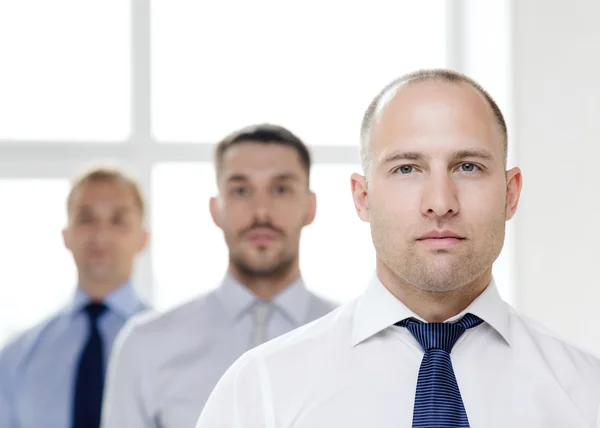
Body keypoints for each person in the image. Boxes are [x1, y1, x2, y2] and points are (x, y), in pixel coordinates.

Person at [194, 69, 600, 428]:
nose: (440, 202)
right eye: (407, 168)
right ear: (362, 197)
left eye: (468, 167)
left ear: (510, 195)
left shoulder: (586, 393)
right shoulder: (260, 391)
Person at [101, 124, 337, 428]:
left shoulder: (360, 345)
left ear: (310, 207)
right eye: (241, 190)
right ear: (216, 209)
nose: (261, 211)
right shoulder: (145, 345)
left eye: (281, 189)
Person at [0, 166, 150, 428]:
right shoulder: (16, 358)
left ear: (143, 238)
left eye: (118, 220)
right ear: (66, 235)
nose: (101, 235)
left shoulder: (173, 348)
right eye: (86, 219)